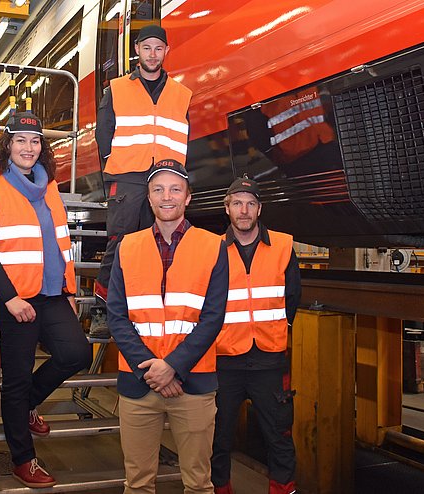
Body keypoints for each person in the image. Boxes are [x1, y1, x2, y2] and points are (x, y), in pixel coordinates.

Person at [0, 111, 92, 488]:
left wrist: (68, 291)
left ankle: (25, 408)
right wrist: (10, 298)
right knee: (16, 378)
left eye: (35, 141)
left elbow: (58, 244)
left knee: (76, 354)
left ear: (42, 147)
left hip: (51, 293)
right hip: (12, 297)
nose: (28, 147)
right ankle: (23, 458)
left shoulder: (49, 185)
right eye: (20, 140)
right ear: (7, 144)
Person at [107, 159, 229, 494]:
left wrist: (173, 367)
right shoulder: (127, 247)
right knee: (138, 483)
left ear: (188, 197)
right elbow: (116, 315)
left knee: (199, 484)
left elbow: (213, 316)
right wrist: (152, 370)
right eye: (158, 189)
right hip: (139, 381)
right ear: (149, 198)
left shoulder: (213, 246)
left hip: (192, 383)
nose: (167, 196)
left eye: (175, 189)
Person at [93, 23, 193, 337]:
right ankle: (102, 312)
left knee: (161, 243)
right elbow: (103, 134)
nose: (152, 53)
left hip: (165, 178)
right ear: (137, 50)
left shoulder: (181, 93)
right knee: (120, 242)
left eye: (158, 48)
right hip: (128, 176)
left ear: (166, 51)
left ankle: (146, 308)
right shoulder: (117, 88)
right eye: (146, 47)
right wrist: (114, 167)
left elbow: (183, 135)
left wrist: (177, 179)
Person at [211, 177, 301, 494]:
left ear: (259, 209)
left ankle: (282, 488)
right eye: (237, 203)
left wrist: (272, 330)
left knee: (278, 433)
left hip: (269, 358)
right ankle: (221, 489)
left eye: (250, 203)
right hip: (225, 358)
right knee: (218, 436)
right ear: (227, 209)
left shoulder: (284, 246)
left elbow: (292, 299)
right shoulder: (213, 251)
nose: (244, 210)